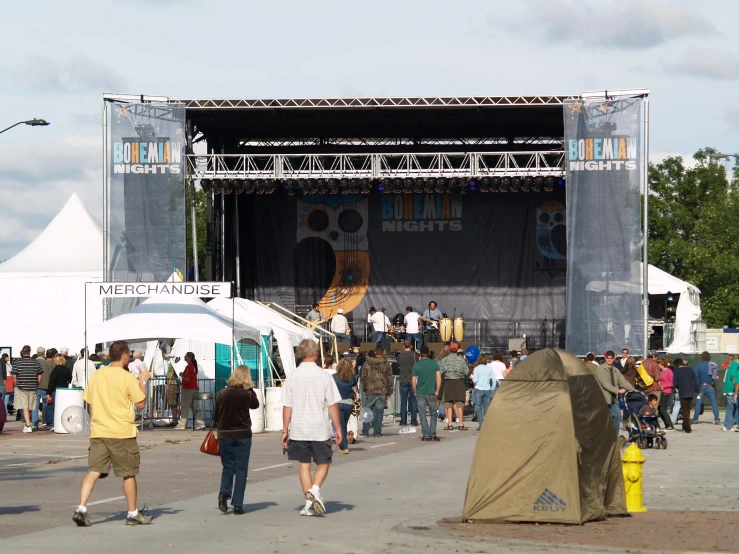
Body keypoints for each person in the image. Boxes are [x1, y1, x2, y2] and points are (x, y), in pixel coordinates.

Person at [73, 340, 153, 526]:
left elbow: (91, 404)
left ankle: (81, 508)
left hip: (99, 430)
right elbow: (140, 403)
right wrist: (142, 382)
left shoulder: (98, 375)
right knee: (128, 473)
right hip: (121, 432)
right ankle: (132, 513)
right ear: (124, 355)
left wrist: (96, 423)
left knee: (94, 470)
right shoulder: (126, 378)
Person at [281, 339, 342, 517]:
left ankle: (309, 503)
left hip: (299, 427)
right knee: (323, 462)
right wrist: (338, 428)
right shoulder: (324, 376)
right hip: (320, 427)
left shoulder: (292, 376)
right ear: (315, 354)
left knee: (304, 465)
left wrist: (285, 429)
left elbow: (287, 405)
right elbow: (332, 404)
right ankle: (314, 491)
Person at [214, 365, 260, 515]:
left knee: (228, 466)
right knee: (241, 469)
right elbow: (256, 405)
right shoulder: (247, 394)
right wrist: (250, 389)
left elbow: (215, 416)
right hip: (243, 433)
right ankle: (238, 504)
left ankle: (224, 491)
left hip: (225, 434)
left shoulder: (222, 393)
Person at [595, 350, 635, 435]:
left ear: (614, 359)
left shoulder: (615, 370)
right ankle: (602, 437)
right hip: (603, 399)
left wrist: (634, 391)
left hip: (613, 399)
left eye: (611, 358)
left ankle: (614, 437)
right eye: (607, 358)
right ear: (605, 358)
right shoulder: (600, 369)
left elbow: (623, 381)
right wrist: (618, 390)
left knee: (617, 416)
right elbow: (605, 384)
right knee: (604, 420)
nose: (609, 360)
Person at [360, 345, 393, 438]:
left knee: (367, 410)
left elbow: (363, 377)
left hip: (370, 390)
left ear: (375, 353)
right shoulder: (386, 364)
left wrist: (364, 388)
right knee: (379, 412)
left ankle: (365, 431)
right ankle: (377, 432)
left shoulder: (367, 363)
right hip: (382, 390)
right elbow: (389, 378)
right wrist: (390, 391)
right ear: (382, 353)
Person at [11, 345, 43, 433]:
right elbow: (40, 374)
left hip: (21, 387)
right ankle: (27, 424)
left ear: (22, 352)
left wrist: (16, 385)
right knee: (30, 407)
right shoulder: (35, 362)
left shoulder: (17, 362)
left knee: (25, 406)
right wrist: (37, 383)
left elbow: (14, 375)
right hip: (33, 387)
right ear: (30, 352)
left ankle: (28, 425)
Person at [412, 346, 441, 441]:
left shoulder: (417, 365)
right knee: (433, 413)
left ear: (420, 353)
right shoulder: (434, 364)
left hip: (420, 391)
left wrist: (415, 391)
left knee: (422, 413)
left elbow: (413, 380)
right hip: (431, 391)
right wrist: (437, 390)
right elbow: (439, 378)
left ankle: (426, 434)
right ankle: (433, 433)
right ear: (428, 353)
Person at [439, 344, 469, 431]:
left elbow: (441, 371)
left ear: (450, 350)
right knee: (460, 404)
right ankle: (461, 424)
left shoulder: (445, 360)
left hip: (449, 382)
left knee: (448, 404)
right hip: (459, 382)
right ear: (457, 350)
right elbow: (466, 372)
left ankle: (450, 424)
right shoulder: (461, 360)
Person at [333, 358, 357, 454]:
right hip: (348, 403)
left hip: (337, 402)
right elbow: (355, 388)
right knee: (344, 424)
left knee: (340, 425)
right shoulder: (352, 378)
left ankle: (344, 447)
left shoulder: (334, 377)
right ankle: (343, 445)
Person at [176, 352, 204, 430]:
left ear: (189, 357)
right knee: (195, 407)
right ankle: (201, 423)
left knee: (185, 407)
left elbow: (187, 379)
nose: (184, 357)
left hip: (188, 389)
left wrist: (182, 375)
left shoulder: (189, 367)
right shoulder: (194, 366)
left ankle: (181, 424)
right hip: (194, 389)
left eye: (186, 356)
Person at [693, 351, 721, 425]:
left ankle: (695, 419)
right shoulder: (712, 366)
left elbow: (696, 378)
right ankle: (717, 419)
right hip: (710, 386)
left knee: (698, 403)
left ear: (702, 357)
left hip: (701, 386)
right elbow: (716, 377)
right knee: (714, 403)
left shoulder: (699, 366)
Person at [46, 353, 73, 428]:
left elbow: (52, 382)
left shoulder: (55, 370)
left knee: (52, 407)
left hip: (56, 390)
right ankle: (62, 423)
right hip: (65, 390)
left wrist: (48, 393)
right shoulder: (67, 370)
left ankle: (52, 423)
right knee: (63, 407)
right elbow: (70, 380)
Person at [673, 358, 699, 433]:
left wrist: (679, 387)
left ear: (676, 365)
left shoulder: (677, 371)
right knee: (688, 409)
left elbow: (675, 383)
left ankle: (688, 428)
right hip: (690, 392)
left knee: (685, 410)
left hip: (682, 392)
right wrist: (698, 390)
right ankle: (684, 425)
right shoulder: (690, 369)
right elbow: (695, 381)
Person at [396, 340, 418, 426]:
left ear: (403, 346)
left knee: (403, 401)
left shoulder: (400, 356)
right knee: (413, 401)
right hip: (412, 379)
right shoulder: (414, 355)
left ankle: (403, 420)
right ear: (411, 346)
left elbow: (398, 366)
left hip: (403, 379)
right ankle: (413, 421)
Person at [471, 355, 495, 430]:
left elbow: (475, 380)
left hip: (479, 389)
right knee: (486, 407)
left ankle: (481, 425)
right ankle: (487, 425)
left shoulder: (476, 369)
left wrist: (473, 379)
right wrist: (492, 388)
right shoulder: (489, 369)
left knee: (478, 407)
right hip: (487, 389)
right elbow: (494, 379)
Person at [37, 348, 55, 429]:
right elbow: (51, 375)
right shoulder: (47, 363)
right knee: (46, 405)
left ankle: (34, 423)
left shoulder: (34, 362)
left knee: (35, 406)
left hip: (35, 386)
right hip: (45, 386)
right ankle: (48, 422)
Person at [657, 358, 675, 431]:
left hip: (666, 391)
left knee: (663, 409)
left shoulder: (669, 371)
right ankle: (666, 424)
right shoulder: (661, 372)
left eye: (658, 364)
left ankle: (670, 425)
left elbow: (672, 383)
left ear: (661, 364)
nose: (658, 365)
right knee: (659, 409)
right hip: (661, 391)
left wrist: (664, 386)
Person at [722, 356, 739, 432]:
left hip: (729, 388)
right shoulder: (735, 364)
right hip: (732, 389)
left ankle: (729, 425)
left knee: (731, 407)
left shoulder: (732, 364)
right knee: (734, 407)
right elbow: (733, 377)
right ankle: (731, 425)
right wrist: (736, 386)